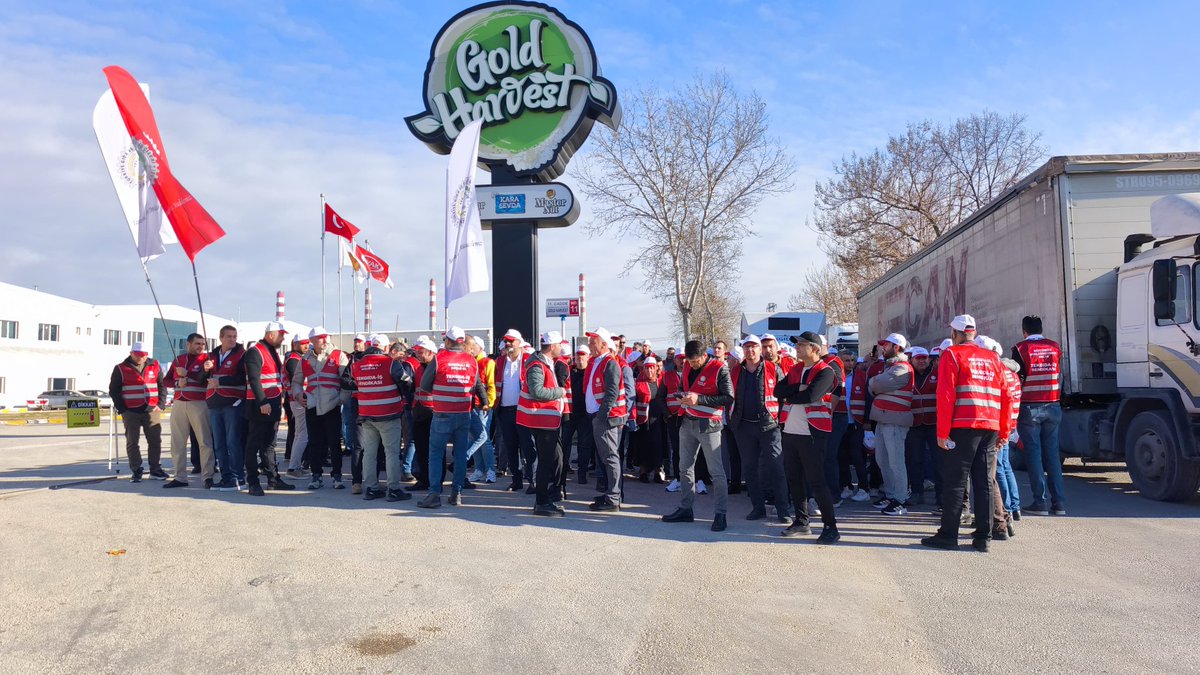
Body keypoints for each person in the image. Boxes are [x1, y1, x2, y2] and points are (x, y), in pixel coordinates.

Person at [921, 315, 1012, 553]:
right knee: (984, 482)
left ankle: (948, 535)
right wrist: (1004, 430)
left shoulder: (952, 355)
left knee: (955, 481)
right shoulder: (992, 357)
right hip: (990, 426)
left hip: (963, 426)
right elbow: (1007, 396)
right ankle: (984, 536)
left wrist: (942, 432)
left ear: (955, 333)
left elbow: (946, 395)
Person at [774, 331, 841, 543]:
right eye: (798, 344)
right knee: (794, 478)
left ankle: (831, 527)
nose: (798, 348)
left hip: (812, 432)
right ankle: (802, 521)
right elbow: (777, 390)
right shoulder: (796, 369)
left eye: (802, 345)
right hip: (791, 431)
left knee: (817, 480)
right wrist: (797, 389)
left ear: (814, 348)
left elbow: (811, 396)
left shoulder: (826, 371)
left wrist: (792, 393)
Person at [662, 339, 732, 531]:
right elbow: (684, 388)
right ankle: (686, 509)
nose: (691, 365)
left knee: (716, 472)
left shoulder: (720, 368)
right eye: (689, 362)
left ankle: (720, 514)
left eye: (694, 362)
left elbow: (728, 397)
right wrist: (681, 395)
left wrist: (698, 399)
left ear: (704, 356)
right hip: (687, 421)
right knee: (684, 468)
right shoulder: (686, 366)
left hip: (709, 425)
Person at [417, 327, 487, 508]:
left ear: (448, 341)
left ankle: (434, 495)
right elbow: (474, 385)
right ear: (462, 342)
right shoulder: (472, 361)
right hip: (463, 413)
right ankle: (456, 493)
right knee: (461, 454)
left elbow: (424, 385)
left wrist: (441, 391)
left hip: (442, 414)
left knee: (436, 454)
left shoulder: (439, 359)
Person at [729, 335, 790, 524]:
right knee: (750, 469)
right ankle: (758, 507)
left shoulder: (774, 369)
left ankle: (783, 510)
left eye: (754, 347)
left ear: (760, 349)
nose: (750, 351)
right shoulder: (735, 371)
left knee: (776, 468)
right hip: (744, 427)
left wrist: (781, 422)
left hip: (769, 427)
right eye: (746, 347)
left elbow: (784, 396)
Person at [1011, 315, 1066, 515]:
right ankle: (1059, 503)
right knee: (1052, 454)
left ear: (1024, 331)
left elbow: (1018, 379)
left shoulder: (1020, 348)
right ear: (1041, 329)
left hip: (1030, 408)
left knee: (1033, 455)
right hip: (1053, 405)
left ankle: (1040, 502)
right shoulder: (1055, 346)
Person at [352, 333, 414, 503]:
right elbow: (406, 381)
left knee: (369, 453)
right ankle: (393, 489)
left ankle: (371, 488)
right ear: (386, 348)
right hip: (389, 413)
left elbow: (352, 383)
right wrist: (404, 395)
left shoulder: (357, 365)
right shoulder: (390, 363)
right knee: (392, 453)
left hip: (366, 414)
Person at [242, 322, 295, 496]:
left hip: (272, 404)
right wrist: (262, 401)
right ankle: (253, 482)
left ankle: (273, 479)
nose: (283, 338)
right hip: (259, 405)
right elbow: (254, 379)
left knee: (270, 445)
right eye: (281, 335)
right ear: (271, 335)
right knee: (253, 444)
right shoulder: (255, 351)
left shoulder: (272, 351)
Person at [519, 331, 568, 516]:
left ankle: (546, 499)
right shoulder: (537, 365)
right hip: (541, 421)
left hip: (547, 420)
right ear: (553, 346)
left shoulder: (544, 363)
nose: (561, 348)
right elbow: (537, 391)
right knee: (545, 462)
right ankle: (541, 502)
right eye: (559, 345)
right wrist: (560, 392)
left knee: (553, 459)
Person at [868, 333, 914, 516]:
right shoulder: (890, 367)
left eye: (886, 345)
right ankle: (890, 494)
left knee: (895, 461)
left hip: (895, 420)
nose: (882, 348)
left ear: (896, 347)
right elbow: (874, 385)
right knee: (883, 460)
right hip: (884, 419)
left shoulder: (902, 367)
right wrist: (874, 383)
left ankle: (900, 499)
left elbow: (875, 386)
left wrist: (873, 383)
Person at [297, 327, 348, 490]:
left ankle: (337, 476)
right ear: (312, 340)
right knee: (314, 442)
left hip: (332, 404)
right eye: (320, 338)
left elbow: (347, 380)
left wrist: (341, 399)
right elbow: (296, 381)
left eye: (325, 337)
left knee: (334, 442)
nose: (325, 340)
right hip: (312, 404)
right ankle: (316, 475)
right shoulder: (304, 358)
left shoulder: (338, 355)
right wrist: (298, 395)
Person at [110, 341, 168, 483]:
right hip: (131, 411)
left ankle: (155, 469)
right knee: (132, 442)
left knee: (155, 440)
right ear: (131, 353)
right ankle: (136, 469)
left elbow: (162, 386)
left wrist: (161, 404)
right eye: (138, 355)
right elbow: (114, 390)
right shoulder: (120, 368)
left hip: (151, 410)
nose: (141, 358)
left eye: (143, 355)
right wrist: (123, 409)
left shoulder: (155, 365)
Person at [584, 327, 628, 512]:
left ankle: (613, 498)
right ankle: (611, 493)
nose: (589, 345)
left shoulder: (610, 363)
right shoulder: (598, 361)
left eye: (593, 342)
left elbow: (611, 392)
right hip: (602, 417)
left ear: (603, 344)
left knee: (610, 458)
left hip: (608, 419)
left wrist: (601, 416)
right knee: (606, 458)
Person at [165, 333, 216, 488]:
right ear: (188, 344)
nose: (201, 347)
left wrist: (188, 374)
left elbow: (205, 379)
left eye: (203, 344)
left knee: (204, 441)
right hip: (179, 403)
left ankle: (207, 476)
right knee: (177, 442)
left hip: (200, 403)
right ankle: (180, 477)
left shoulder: (208, 360)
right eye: (197, 344)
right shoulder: (179, 360)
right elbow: (166, 380)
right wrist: (177, 382)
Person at [206, 326, 246, 491]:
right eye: (228, 336)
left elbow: (243, 378)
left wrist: (221, 382)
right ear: (221, 337)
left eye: (234, 336)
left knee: (232, 442)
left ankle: (238, 477)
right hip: (214, 404)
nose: (232, 339)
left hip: (232, 403)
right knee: (219, 444)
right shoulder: (212, 356)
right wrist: (204, 370)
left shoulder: (241, 355)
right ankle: (225, 477)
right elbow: (204, 380)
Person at [495, 329, 532, 492]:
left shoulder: (528, 360)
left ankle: (533, 480)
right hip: (505, 410)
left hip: (524, 410)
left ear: (519, 342)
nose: (508, 343)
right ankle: (516, 480)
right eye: (506, 340)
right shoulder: (500, 361)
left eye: (511, 340)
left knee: (528, 447)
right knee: (511, 447)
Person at [906, 346, 940, 506]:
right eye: (918, 358)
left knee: (938, 460)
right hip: (914, 424)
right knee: (915, 460)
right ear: (912, 360)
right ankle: (917, 493)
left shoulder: (937, 373)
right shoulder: (907, 374)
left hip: (935, 423)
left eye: (925, 358)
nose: (922, 361)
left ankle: (941, 496)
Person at [464, 335, 498, 484]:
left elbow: (491, 384)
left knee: (484, 439)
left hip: (483, 406)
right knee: (473, 437)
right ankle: (479, 469)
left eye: (473, 346)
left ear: (480, 347)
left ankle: (490, 469)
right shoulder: (471, 362)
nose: (470, 349)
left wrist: (489, 403)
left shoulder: (487, 362)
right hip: (472, 405)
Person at [562, 344, 595, 485]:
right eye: (578, 355)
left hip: (585, 415)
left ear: (588, 357)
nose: (580, 358)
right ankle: (561, 471)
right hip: (569, 413)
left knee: (584, 445)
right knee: (564, 444)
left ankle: (582, 473)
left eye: (583, 355)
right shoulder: (569, 371)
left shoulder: (592, 372)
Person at [409, 336, 437, 491]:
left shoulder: (436, 367)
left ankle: (435, 481)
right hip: (419, 411)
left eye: (421, 351)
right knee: (421, 449)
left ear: (431, 352)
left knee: (434, 449)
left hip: (433, 412)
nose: (417, 354)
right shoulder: (420, 367)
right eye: (416, 351)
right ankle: (424, 480)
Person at [633, 356, 666, 484]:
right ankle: (643, 471)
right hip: (643, 421)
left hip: (658, 420)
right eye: (647, 369)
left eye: (652, 368)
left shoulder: (661, 382)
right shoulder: (639, 384)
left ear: (656, 368)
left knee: (658, 445)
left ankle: (658, 471)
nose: (649, 371)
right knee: (643, 445)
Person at [342, 333, 367, 494]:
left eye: (360, 342)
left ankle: (373, 480)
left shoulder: (372, 360)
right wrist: (361, 384)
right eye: (355, 342)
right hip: (357, 403)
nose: (357, 345)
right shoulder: (351, 360)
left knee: (374, 445)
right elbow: (344, 380)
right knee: (358, 444)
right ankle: (356, 482)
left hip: (372, 404)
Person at [283, 335, 310, 476]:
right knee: (302, 434)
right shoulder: (294, 359)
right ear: (295, 344)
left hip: (297, 399)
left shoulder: (296, 357)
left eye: (307, 343)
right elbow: (296, 379)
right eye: (303, 343)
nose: (306, 346)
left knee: (300, 433)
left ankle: (295, 465)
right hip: (298, 400)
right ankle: (294, 467)